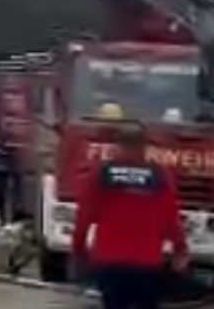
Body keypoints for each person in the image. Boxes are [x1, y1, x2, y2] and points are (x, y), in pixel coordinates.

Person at [71, 122, 187, 309]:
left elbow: (84, 215)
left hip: (109, 262)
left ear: (118, 145)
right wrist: (179, 249)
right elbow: (171, 218)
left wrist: (79, 250)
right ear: (144, 146)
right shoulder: (159, 176)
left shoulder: (102, 173)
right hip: (146, 264)